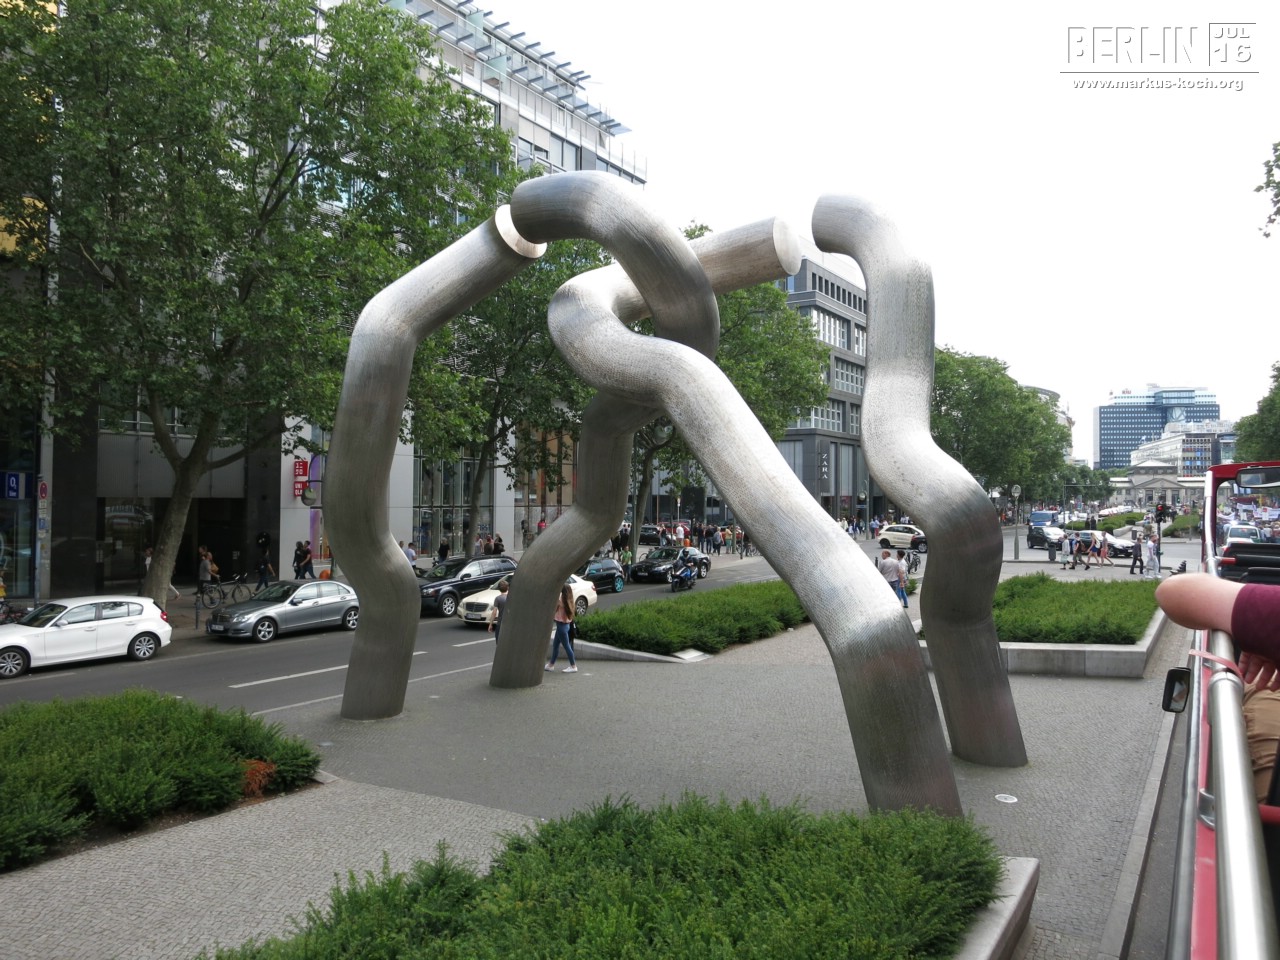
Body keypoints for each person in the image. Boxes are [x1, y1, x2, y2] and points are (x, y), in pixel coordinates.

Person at [546, 581, 578, 673]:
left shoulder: (560, 600)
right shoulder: (569, 600)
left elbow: (551, 601)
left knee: (567, 646)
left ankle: (573, 666)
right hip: (565, 626)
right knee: (555, 645)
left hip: (561, 627)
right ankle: (551, 665)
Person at [487, 580, 509, 644]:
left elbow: (494, 612)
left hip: (500, 623)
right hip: (510, 623)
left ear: (499, 589)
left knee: (499, 642)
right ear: (508, 587)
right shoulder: (511, 597)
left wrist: (490, 624)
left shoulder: (498, 599)